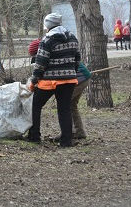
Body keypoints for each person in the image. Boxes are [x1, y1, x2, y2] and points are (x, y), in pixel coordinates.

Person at [27, 13, 80, 147]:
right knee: (64, 109)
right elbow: (77, 59)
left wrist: (34, 80)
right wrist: (71, 72)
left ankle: (34, 136)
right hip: (69, 80)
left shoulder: (47, 40)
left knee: (35, 105)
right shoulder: (73, 38)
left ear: (48, 25)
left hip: (49, 82)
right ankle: (66, 141)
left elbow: (40, 63)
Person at [28, 38, 89, 139]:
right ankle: (79, 131)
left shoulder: (49, 55)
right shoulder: (55, 51)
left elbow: (44, 71)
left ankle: (67, 134)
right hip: (84, 78)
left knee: (65, 105)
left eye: (35, 55)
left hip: (78, 79)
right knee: (71, 105)